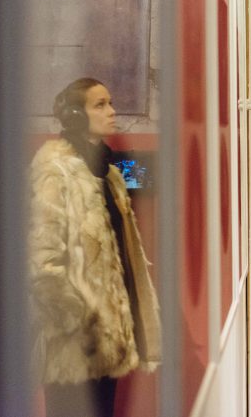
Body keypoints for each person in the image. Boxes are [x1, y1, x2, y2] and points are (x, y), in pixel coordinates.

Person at [28, 78, 161, 417]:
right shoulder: (54, 172)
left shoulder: (110, 173)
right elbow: (42, 260)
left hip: (108, 336)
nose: (112, 111)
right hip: (73, 340)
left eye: (111, 102)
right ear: (75, 115)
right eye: (100, 105)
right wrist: (75, 320)